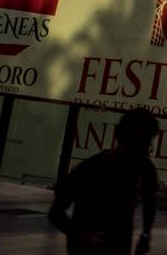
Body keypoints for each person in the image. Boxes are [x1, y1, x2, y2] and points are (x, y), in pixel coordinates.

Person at [49, 107, 159, 254]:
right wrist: (81, 236)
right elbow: (55, 213)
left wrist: (145, 235)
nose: (145, 150)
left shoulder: (144, 168)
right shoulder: (90, 169)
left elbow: (150, 202)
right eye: (139, 146)